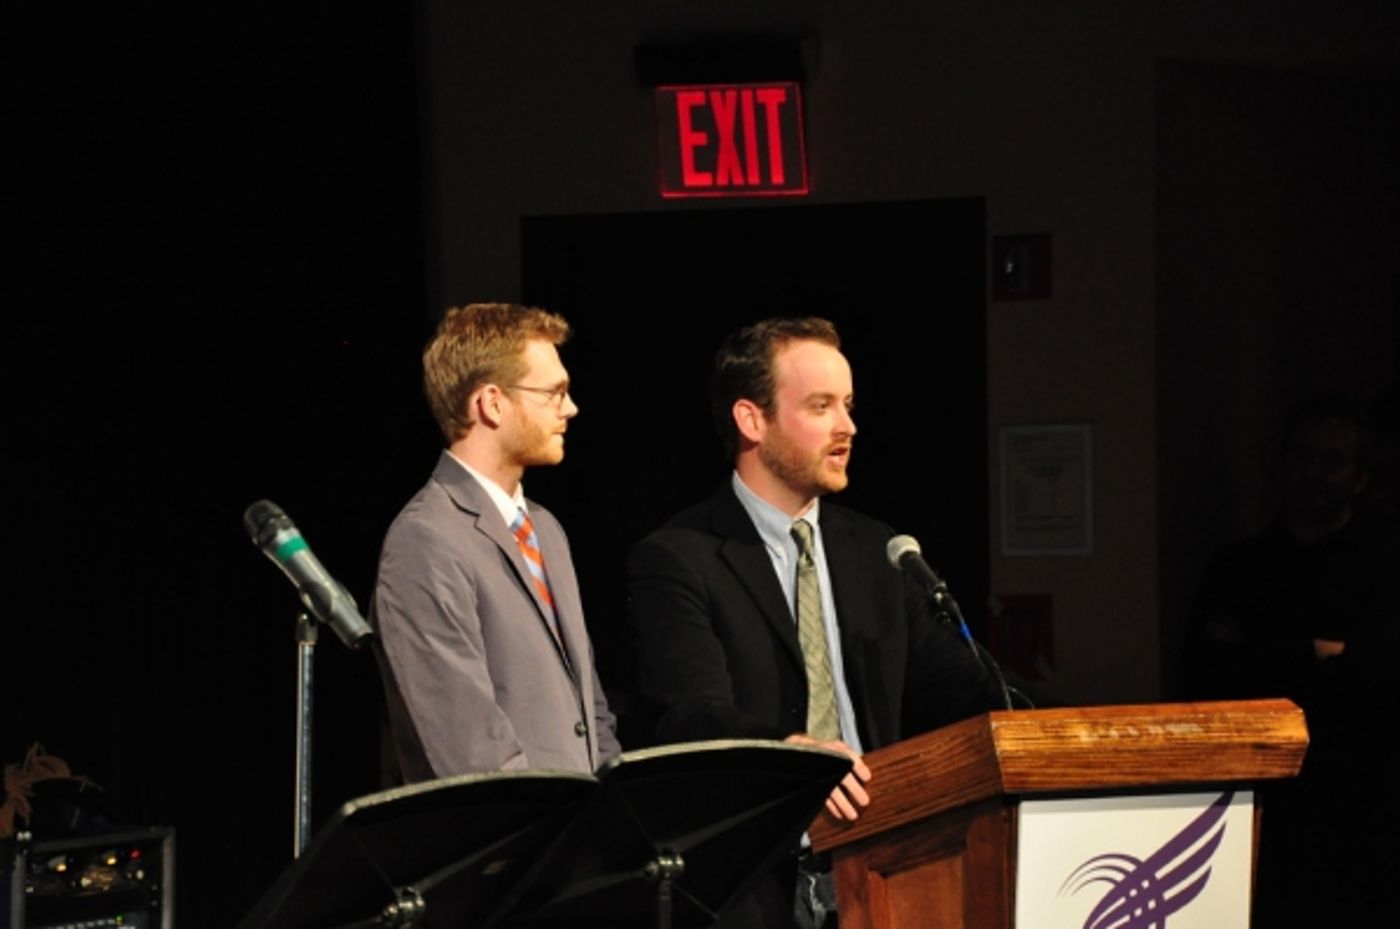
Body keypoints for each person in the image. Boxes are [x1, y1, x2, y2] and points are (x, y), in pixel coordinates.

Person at [625, 317, 1005, 929]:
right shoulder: (680, 557)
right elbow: (692, 717)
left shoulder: (878, 552)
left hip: (885, 871)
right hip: (758, 886)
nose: (847, 426)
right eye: (821, 406)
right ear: (752, 420)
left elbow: (967, 690)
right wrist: (793, 760)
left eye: (848, 406)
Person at [370, 302, 620, 782]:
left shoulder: (545, 528)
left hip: (582, 824)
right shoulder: (426, 539)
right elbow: (468, 747)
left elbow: (590, 709)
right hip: (516, 828)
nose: (570, 408)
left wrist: (613, 809)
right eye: (553, 392)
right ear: (491, 403)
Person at [1183, 391, 1398, 924]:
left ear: (1359, 478)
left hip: (1360, 818)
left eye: (1332, 460)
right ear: (1282, 464)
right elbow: (1208, 679)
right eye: (1304, 456)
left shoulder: (1383, 573)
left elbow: (1375, 683)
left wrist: (1286, 659)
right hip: (1257, 814)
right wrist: (1313, 654)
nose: (1315, 473)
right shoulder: (1237, 569)